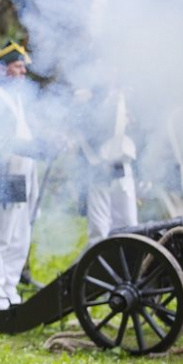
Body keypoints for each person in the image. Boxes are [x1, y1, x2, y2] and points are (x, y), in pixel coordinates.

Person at [0, 41, 40, 311]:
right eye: (17, 66)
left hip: (23, 169)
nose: (23, 71)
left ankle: (10, 285)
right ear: (3, 70)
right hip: (2, 173)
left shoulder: (15, 98)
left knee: (20, 231)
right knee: (0, 234)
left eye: (23, 66)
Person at [75, 85, 138, 244]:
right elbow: (93, 130)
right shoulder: (85, 100)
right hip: (99, 168)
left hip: (122, 167)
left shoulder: (122, 97)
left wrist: (127, 120)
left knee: (129, 225)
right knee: (99, 230)